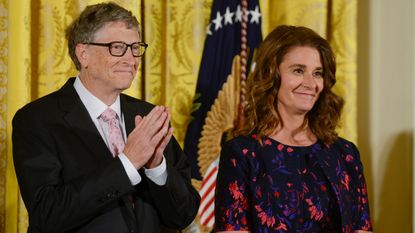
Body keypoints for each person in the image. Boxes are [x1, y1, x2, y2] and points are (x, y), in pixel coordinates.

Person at [12, 2, 200, 233]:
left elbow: (183, 215)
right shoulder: (37, 120)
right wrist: (127, 163)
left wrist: (156, 167)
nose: (131, 60)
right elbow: (47, 213)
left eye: (135, 48)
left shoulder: (149, 117)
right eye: (118, 47)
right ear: (84, 54)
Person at [214, 25, 372, 233]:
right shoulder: (243, 153)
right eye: (298, 70)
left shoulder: (345, 154)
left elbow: (362, 228)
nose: (310, 83)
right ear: (272, 75)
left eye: (318, 73)